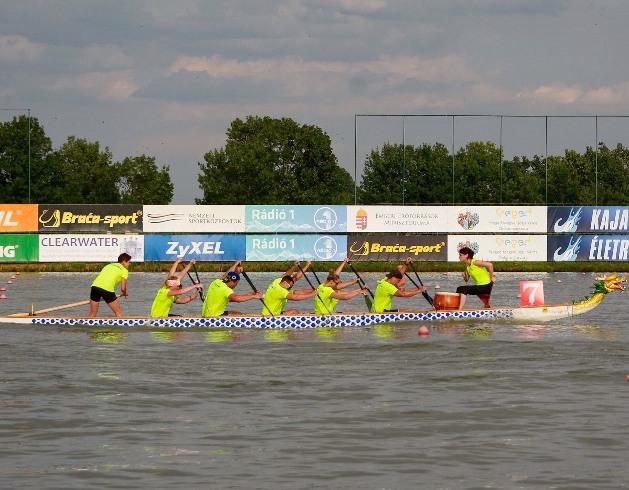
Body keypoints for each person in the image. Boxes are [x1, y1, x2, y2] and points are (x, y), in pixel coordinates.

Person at [88, 253, 131, 317]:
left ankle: (86, 321)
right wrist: (125, 293)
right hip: (107, 289)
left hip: (95, 287)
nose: (130, 264)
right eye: (129, 262)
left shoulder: (109, 265)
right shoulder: (124, 270)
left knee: (92, 314)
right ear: (124, 262)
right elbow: (122, 288)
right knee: (118, 314)